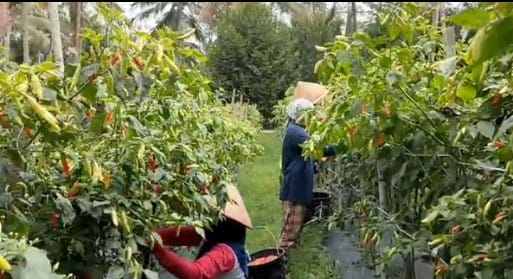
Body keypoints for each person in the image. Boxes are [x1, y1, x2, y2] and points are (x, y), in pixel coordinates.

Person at [148, 184, 252, 279]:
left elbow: (195, 274)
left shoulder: (226, 254)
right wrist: (153, 235)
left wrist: (158, 249)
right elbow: (181, 235)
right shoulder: (219, 233)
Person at [279, 96, 336, 251]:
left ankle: (288, 256)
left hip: (298, 184)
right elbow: (318, 148)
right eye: (309, 114)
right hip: (295, 186)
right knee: (291, 226)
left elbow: (308, 154)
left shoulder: (296, 129)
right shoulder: (297, 133)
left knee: (294, 223)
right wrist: (343, 145)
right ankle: (282, 259)